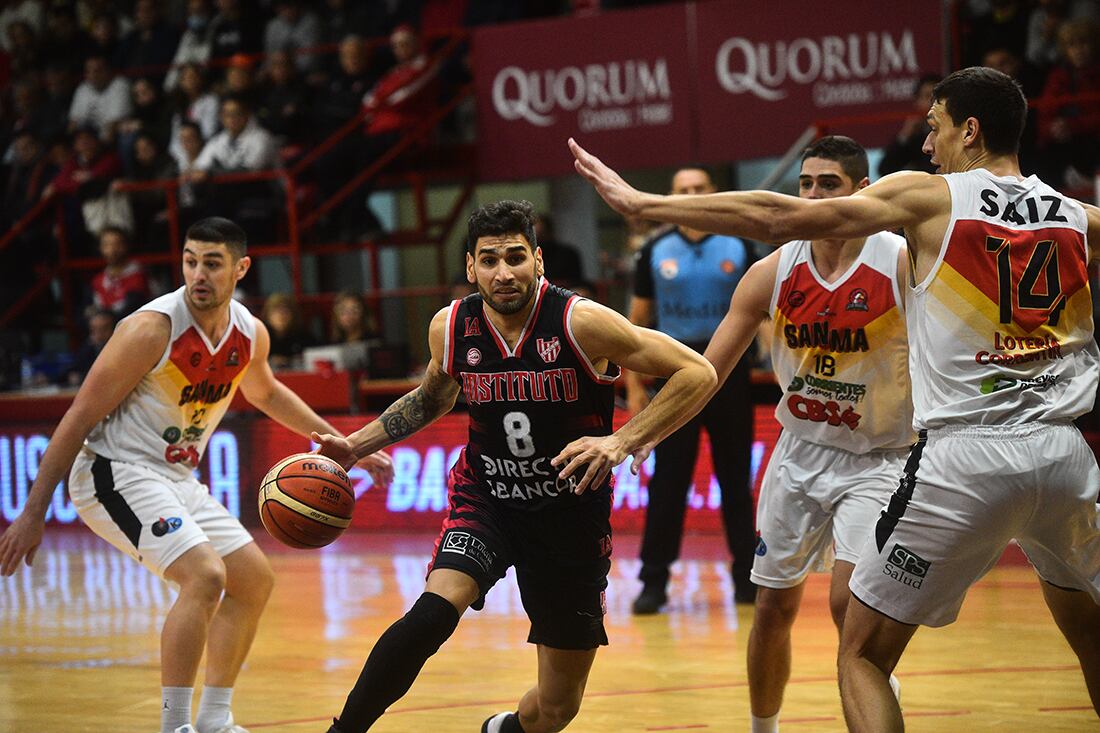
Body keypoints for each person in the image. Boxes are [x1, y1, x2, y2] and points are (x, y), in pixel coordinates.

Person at [569, 65, 1100, 728]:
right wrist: (633, 435)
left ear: (969, 130)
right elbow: (710, 367)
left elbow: (771, 215)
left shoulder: (924, 208)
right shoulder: (1074, 214)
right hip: (1062, 450)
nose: (926, 147)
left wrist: (644, 205)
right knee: (1087, 630)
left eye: (933, 129)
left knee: (861, 650)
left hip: (947, 453)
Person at [310, 199, 717, 733]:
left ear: (539, 261)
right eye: (490, 259)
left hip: (569, 516)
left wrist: (622, 440)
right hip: (488, 498)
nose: (504, 272)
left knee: (556, 707)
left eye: (516, 257)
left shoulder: (581, 322)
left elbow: (698, 372)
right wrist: (355, 446)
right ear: (470, 268)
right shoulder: (451, 327)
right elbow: (432, 398)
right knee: (434, 612)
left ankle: (505, 729)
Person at [0, 217, 394, 733]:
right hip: (112, 471)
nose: (198, 274)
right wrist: (32, 512)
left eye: (212, 263)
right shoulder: (150, 329)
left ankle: (213, 720)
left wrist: (343, 445)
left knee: (252, 581)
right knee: (206, 576)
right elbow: (78, 418)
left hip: (176, 478)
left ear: (240, 268)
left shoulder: (249, 332)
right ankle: (175, 727)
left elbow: (267, 393)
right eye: (190, 260)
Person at [694, 136, 911, 732]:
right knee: (771, 608)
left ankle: (877, 702)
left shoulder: (898, 260)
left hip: (881, 459)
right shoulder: (775, 269)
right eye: (805, 185)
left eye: (829, 186)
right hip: (799, 453)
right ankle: (764, 729)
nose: (813, 197)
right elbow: (708, 372)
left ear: (862, 194)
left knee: (851, 608)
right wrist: (633, 434)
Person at [627, 165, 757, 613]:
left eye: (700, 189)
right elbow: (634, 327)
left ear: (714, 193)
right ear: (671, 196)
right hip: (674, 376)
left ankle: (747, 578)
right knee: (668, 483)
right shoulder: (654, 252)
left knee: (736, 481)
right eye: (684, 190)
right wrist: (633, 389)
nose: (693, 195)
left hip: (730, 375)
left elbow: (766, 316)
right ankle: (653, 582)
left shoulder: (740, 246)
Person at [91, 226, 151, 318]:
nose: (112, 250)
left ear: (126, 246)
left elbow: (131, 310)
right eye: (106, 245)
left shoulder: (138, 277)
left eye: (117, 244)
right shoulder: (98, 280)